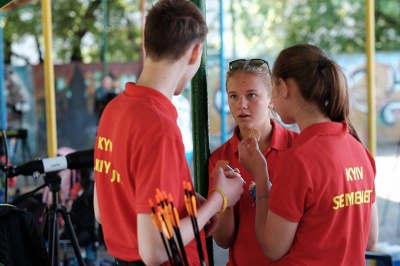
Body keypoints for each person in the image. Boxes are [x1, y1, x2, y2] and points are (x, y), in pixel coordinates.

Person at [93, 1, 244, 265]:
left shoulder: (114, 110)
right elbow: (155, 251)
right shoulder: (158, 127)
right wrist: (217, 201)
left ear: (146, 44)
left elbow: (104, 211)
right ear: (196, 53)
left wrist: (188, 207)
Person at [237, 44, 379, 265]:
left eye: (273, 88)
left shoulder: (299, 160)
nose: (272, 98)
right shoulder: (359, 150)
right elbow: (369, 240)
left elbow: (272, 247)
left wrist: (261, 176)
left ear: (284, 87)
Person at [208, 59, 298, 266]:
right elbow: (223, 240)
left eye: (251, 95)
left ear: (272, 98)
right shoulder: (221, 159)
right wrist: (225, 201)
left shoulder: (298, 148)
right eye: (233, 96)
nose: (241, 105)